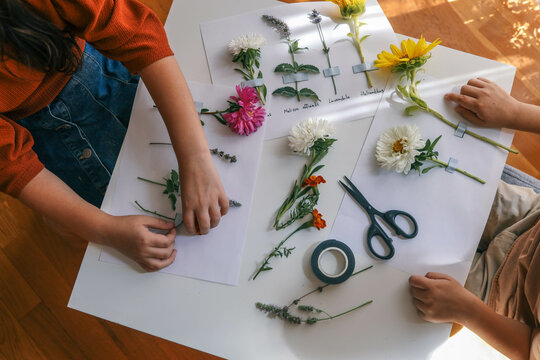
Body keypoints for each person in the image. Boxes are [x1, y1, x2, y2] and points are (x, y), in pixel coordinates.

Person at [0, 0, 229, 272]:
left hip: (99, 69)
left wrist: (195, 157)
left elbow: (138, 35)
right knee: (91, 225)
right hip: (45, 138)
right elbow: (11, 165)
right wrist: (105, 230)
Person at [409, 77, 540, 359]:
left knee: (404, 270)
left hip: (502, 293)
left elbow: (529, 350)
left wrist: (467, 311)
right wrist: (514, 112)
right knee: (428, 181)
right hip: (531, 216)